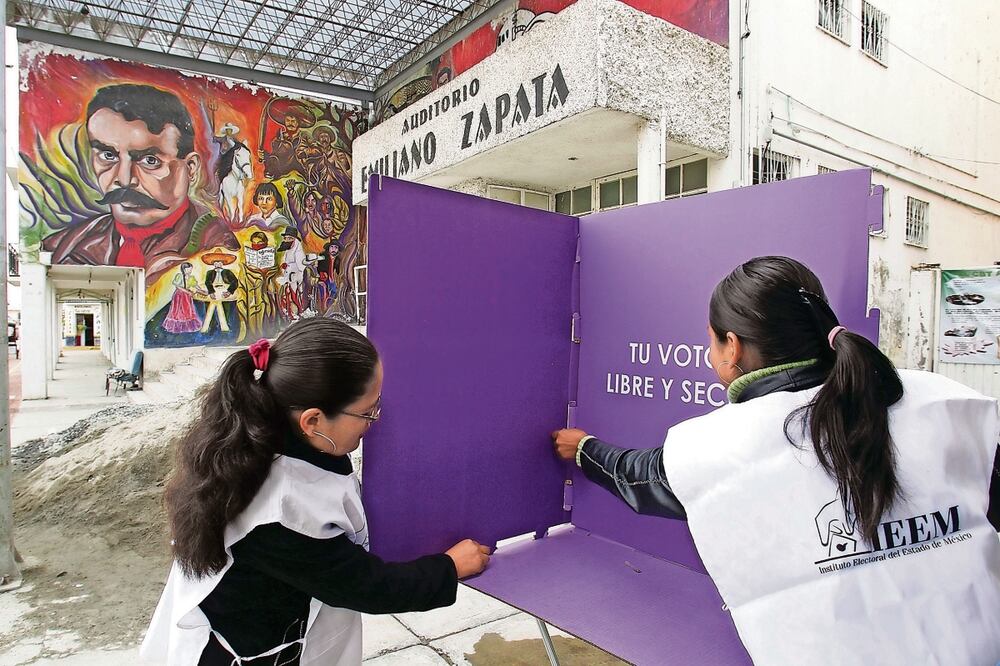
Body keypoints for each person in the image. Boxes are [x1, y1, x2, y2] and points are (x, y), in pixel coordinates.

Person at [552, 256, 1000, 665]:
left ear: (731, 347)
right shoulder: (950, 401)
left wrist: (584, 448)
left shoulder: (713, 445)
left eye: (709, 341)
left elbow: (639, 478)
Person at [141, 318, 490, 664]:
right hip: (240, 652)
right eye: (368, 412)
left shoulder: (268, 433)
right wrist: (448, 568)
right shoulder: (278, 511)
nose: (377, 420)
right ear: (312, 421)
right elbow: (365, 586)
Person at [43, 84, 238, 284]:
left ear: (190, 168)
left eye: (150, 161)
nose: (125, 179)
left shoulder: (216, 247)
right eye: (108, 156)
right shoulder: (62, 246)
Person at [162, 262, 203, 334]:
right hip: (179, 296)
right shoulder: (179, 276)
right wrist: (187, 291)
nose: (189, 271)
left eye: (190, 270)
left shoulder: (191, 278)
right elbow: (178, 286)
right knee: (178, 311)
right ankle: (177, 327)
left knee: (188, 310)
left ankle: (187, 327)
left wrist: (202, 291)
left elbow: (196, 286)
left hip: (187, 297)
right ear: (183, 270)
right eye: (187, 270)